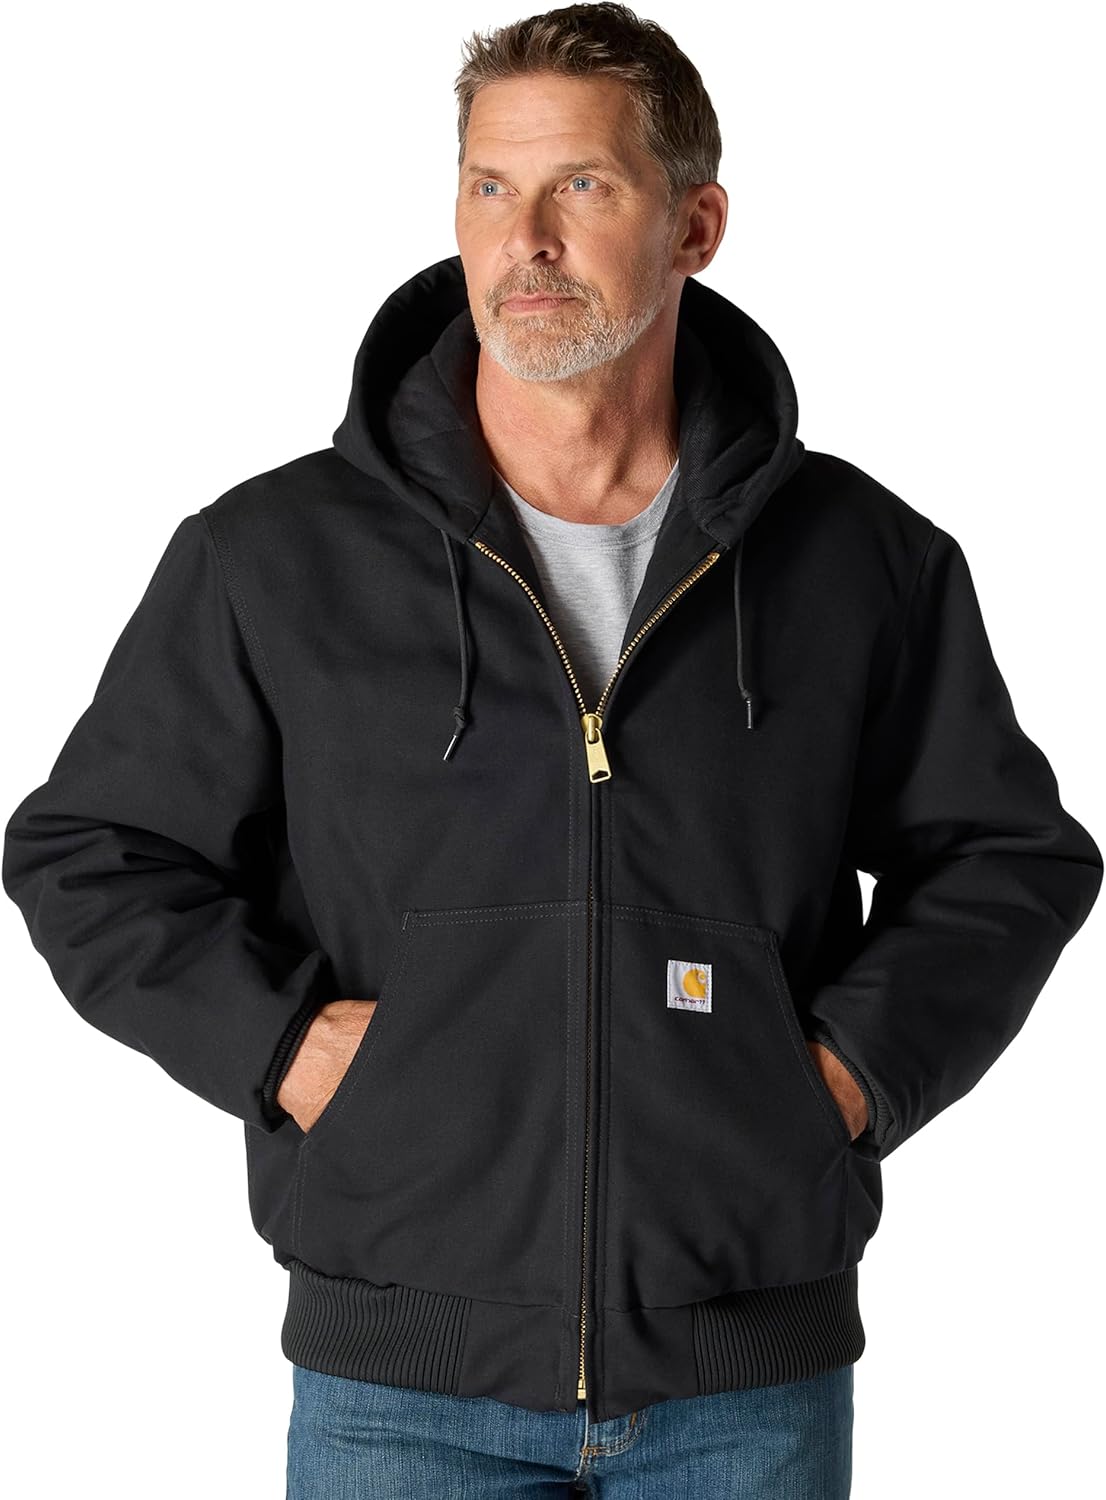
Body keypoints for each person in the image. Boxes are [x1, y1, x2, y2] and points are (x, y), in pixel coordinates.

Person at [3, 3, 1101, 1495]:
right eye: (488, 186)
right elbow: (91, 851)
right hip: (398, 1387)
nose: (524, 239)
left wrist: (841, 1076)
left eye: (582, 185)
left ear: (694, 225)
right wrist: (280, 1045)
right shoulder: (275, 556)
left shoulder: (861, 560)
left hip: (746, 1383)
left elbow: (1005, 858)